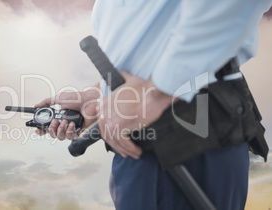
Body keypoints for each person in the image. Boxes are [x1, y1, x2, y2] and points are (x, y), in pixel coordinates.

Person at [35, 0, 272, 209]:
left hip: (181, 134)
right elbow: (146, 44)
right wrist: (99, 97)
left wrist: (155, 94)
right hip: (152, 141)